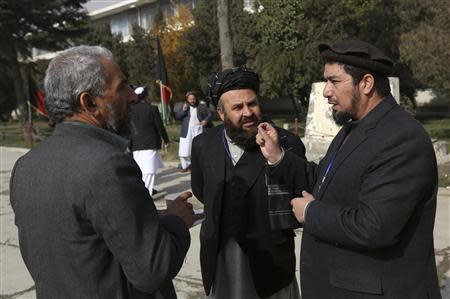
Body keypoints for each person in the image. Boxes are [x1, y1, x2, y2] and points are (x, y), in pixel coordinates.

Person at [9, 45, 200, 299]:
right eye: (122, 87)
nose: (132, 96)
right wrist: (177, 221)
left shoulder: (26, 166)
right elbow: (152, 270)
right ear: (88, 102)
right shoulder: (107, 165)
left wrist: (148, 219)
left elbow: (81, 235)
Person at [257, 40, 441, 298]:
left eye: (334, 81)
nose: (326, 91)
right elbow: (322, 181)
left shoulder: (401, 138)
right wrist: (277, 157)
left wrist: (311, 212)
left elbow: (374, 226)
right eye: (326, 82)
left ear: (366, 83)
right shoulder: (353, 128)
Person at [191, 66, 310, 299]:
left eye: (252, 104)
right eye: (237, 107)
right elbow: (202, 191)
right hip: (222, 259)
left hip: (273, 264)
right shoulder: (203, 145)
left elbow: (300, 192)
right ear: (221, 113)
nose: (248, 113)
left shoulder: (287, 143)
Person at [130, 86, 169, 196]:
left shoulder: (130, 110)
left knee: (141, 169)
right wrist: (165, 139)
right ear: (146, 96)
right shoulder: (152, 109)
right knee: (149, 171)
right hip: (149, 143)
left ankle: (147, 189)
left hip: (136, 144)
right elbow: (159, 126)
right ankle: (145, 193)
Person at [176, 91, 212, 172]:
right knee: (184, 149)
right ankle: (186, 166)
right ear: (187, 99)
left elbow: (210, 114)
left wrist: (205, 120)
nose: (192, 101)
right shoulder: (184, 106)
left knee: (197, 148)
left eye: (193, 99)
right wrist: (184, 110)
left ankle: (196, 165)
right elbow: (178, 116)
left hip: (198, 129)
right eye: (190, 99)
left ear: (196, 99)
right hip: (187, 130)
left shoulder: (201, 106)